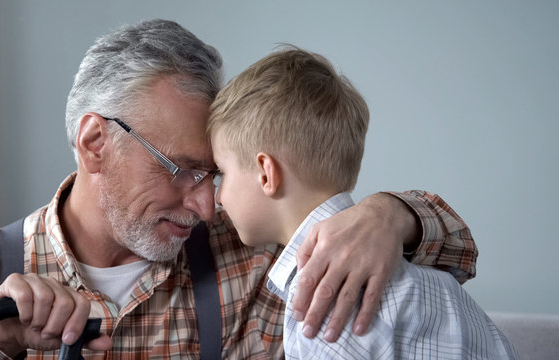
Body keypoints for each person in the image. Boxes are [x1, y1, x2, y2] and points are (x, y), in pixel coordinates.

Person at [0, 20, 477, 359]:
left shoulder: (259, 257)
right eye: (181, 168)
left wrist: (389, 216)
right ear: (95, 143)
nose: (207, 204)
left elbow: (459, 254)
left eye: (214, 175)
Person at [207, 47, 517, 359]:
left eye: (222, 173)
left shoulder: (323, 298)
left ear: (266, 174)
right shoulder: (417, 273)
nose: (217, 196)